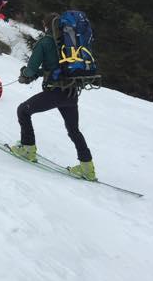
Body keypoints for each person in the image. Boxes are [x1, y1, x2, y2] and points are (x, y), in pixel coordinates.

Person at [11, 13, 96, 180]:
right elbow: (57, 68)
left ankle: (28, 149)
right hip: (71, 93)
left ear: (46, 26)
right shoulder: (67, 44)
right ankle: (87, 168)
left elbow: (31, 68)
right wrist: (39, 73)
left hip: (55, 92)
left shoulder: (45, 42)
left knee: (23, 110)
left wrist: (25, 75)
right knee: (74, 130)